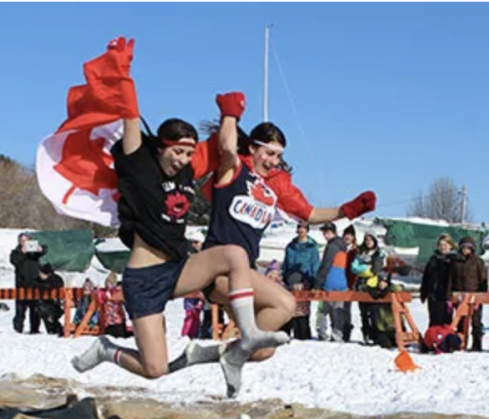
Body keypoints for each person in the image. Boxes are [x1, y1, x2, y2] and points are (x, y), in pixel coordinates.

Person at [69, 40, 289, 393]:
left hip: (178, 268)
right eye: (177, 152)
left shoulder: (186, 171)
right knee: (154, 369)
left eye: (188, 153)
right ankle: (106, 350)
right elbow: (129, 115)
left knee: (234, 254)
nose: (183, 159)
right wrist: (123, 73)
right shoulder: (139, 164)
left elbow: (222, 148)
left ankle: (246, 334)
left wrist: (230, 113)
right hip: (143, 278)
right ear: (161, 147)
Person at [202, 98, 376, 388]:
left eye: (278, 156)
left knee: (262, 350)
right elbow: (227, 147)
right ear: (253, 148)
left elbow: (309, 213)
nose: (273, 161)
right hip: (217, 267)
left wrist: (349, 209)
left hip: (242, 272)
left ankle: (207, 354)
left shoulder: (275, 185)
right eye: (268, 153)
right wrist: (230, 114)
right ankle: (229, 352)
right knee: (286, 303)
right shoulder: (234, 169)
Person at [315, 223, 350, 342]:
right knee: (338, 310)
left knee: (322, 310)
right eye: (324, 232)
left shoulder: (332, 246)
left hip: (329, 280)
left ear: (334, 232)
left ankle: (322, 333)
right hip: (341, 282)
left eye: (328, 232)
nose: (325, 235)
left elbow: (326, 265)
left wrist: (318, 283)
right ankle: (337, 334)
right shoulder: (343, 246)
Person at [454, 236, 488, 351]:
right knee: (460, 321)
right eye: (463, 248)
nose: (465, 250)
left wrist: (481, 297)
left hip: (474, 295)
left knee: (476, 321)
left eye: (468, 248)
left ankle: (477, 344)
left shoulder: (478, 262)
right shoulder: (456, 262)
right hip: (460, 296)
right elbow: (451, 279)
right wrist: (451, 296)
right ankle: (460, 343)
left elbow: (483, 280)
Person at [352, 233, 387, 345]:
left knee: (374, 312)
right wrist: (365, 268)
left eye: (370, 240)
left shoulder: (379, 253)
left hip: (373, 285)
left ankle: (375, 335)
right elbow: (354, 267)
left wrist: (365, 270)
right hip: (361, 285)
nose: (368, 242)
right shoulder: (361, 253)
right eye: (366, 240)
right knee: (363, 313)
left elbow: (376, 269)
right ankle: (366, 335)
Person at [10, 233, 48, 334]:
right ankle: (18, 329)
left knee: (35, 309)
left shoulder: (33, 252)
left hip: (35, 284)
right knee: (20, 309)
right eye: (22, 241)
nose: (23, 243)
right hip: (21, 284)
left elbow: (45, 249)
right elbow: (14, 260)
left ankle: (34, 329)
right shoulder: (16, 252)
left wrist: (40, 248)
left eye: (25, 241)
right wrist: (22, 253)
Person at [420, 234, 460, 328]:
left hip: (446, 295)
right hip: (433, 294)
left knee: (446, 320)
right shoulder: (433, 259)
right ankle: (433, 340)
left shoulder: (454, 260)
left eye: (445, 245)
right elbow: (426, 276)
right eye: (441, 245)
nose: (443, 247)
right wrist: (424, 291)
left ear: (450, 245)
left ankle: (445, 340)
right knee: (434, 319)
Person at [282, 223, 320, 290]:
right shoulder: (290, 246)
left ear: (307, 230)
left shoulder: (312, 247)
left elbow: (315, 266)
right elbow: (285, 265)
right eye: (300, 227)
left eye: (304, 228)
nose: (301, 230)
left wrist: (313, 283)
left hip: (306, 281)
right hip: (291, 280)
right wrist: (284, 278)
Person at [98, 271, 131, 338]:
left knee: (118, 325)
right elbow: (102, 299)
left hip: (116, 316)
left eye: (110, 283)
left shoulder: (117, 291)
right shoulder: (106, 292)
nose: (108, 284)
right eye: (108, 282)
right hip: (111, 317)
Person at [35, 263, 66, 335]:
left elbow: (55, 287)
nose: (40, 275)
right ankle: (53, 330)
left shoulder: (55, 280)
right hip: (45, 304)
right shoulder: (38, 280)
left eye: (42, 273)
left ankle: (56, 330)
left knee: (48, 314)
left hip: (56, 305)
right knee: (44, 312)